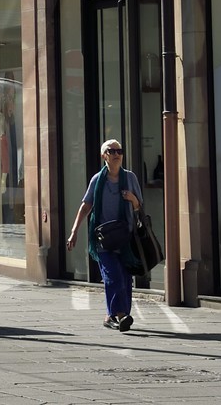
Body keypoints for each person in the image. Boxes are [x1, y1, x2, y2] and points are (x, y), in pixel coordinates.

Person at [65, 138, 145, 332]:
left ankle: (113, 315)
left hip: (125, 238)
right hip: (103, 238)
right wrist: (74, 231)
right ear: (104, 156)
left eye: (120, 151)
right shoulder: (97, 180)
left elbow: (139, 206)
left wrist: (132, 198)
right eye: (112, 151)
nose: (117, 154)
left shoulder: (130, 177)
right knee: (112, 276)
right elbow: (86, 206)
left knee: (125, 279)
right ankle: (120, 315)